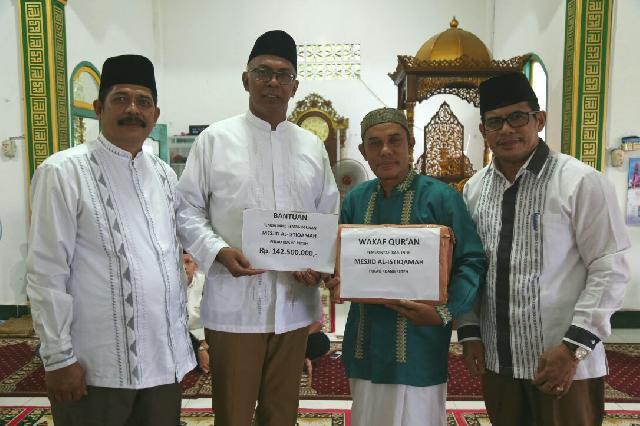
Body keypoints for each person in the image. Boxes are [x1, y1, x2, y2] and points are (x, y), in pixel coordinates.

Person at [176, 30, 339, 426]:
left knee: (281, 414)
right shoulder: (215, 140)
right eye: (262, 72)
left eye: (283, 75)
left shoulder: (311, 147)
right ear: (245, 80)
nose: (272, 82)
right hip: (235, 307)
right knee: (233, 414)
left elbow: (328, 215)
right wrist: (218, 251)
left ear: (294, 86)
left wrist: (318, 265)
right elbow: (186, 209)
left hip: (294, 307)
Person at [26, 54, 195, 425]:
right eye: (121, 99)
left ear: (155, 113)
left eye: (143, 101)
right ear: (99, 108)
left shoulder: (164, 175)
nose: (133, 109)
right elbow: (46, 272)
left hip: (163, 364)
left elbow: (174, 250)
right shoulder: (63, 172)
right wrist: (58, 358)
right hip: (96, 368)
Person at [459, 72, 631, 426]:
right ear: (483, 130)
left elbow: (610, 267)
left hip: (562, 362)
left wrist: (572, 348)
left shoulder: (579, 182)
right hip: (499, 360)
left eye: (517, 117)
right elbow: (469, 266)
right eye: (495, 122)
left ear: (539, 120)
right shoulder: (474, 190)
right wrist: (471, 331)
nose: (507, 130)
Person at [325, 107, 486, 426]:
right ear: (363, 152)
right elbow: (339, 260)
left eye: (394, 140)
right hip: (364, 340)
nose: (385, 150)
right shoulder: (356, 199)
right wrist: (335, 277)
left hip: (419, 342)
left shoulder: (441, 197)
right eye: (375, 143)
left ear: (411, 144)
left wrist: (445, 312)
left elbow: (471, 260)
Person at [183, 251, 209, 374]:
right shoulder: (168, 287)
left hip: (203, 335)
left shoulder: (204, 282)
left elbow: (213, 317)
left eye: (188, 262)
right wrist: (200, 346)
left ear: (196, 266)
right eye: (179, 263)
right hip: (184, 338)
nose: (184, 267)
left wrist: (203, 345)